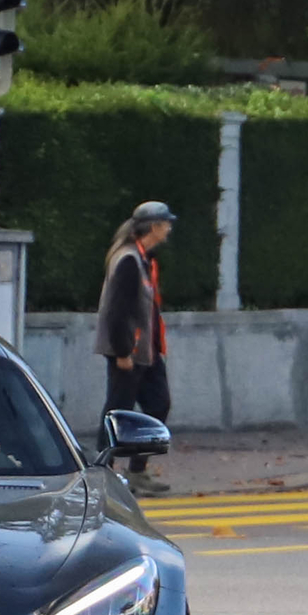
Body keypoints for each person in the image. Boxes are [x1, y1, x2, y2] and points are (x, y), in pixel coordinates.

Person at [94, 200, 174, 495]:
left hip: (146, 351)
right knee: (118, 411)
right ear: (153, 227)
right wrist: (122, 352)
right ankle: (101, 474)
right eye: (166, 224)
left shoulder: (143, 259)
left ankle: (137, 471)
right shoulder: (127, 260)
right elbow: (116, 312)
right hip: (129, 350)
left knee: (158, 405)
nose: (168, 230)